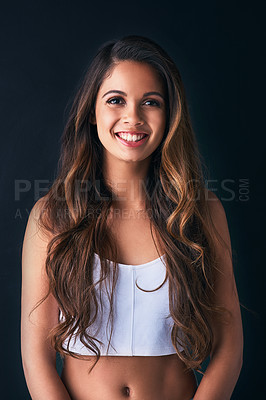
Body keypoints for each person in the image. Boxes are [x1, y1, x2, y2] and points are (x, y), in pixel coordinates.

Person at [21, 35, 243, 400]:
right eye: (116, 100)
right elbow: (36, 358)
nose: (133, 118)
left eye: (151, 102)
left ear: (169, 115)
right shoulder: (53, 217)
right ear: (92, 113)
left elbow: (229, 344)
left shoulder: (200, 212)